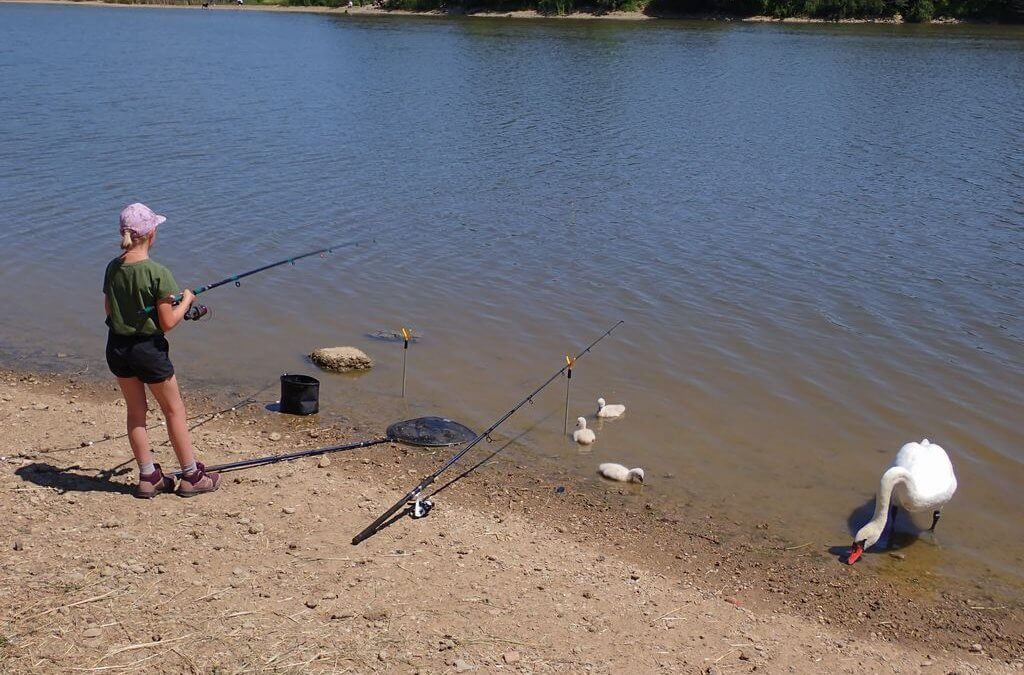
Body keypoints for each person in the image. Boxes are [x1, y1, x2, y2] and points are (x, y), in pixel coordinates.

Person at [103, 203, 220, 499]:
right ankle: (192, 475)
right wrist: (187, 300)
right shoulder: (158, 273)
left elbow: (109, 311)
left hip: (117, 347)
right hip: (148, 351)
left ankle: (148, 476)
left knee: (136, 413)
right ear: (152, 233)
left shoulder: (113, 267)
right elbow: (167, 323)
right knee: (173, 410)